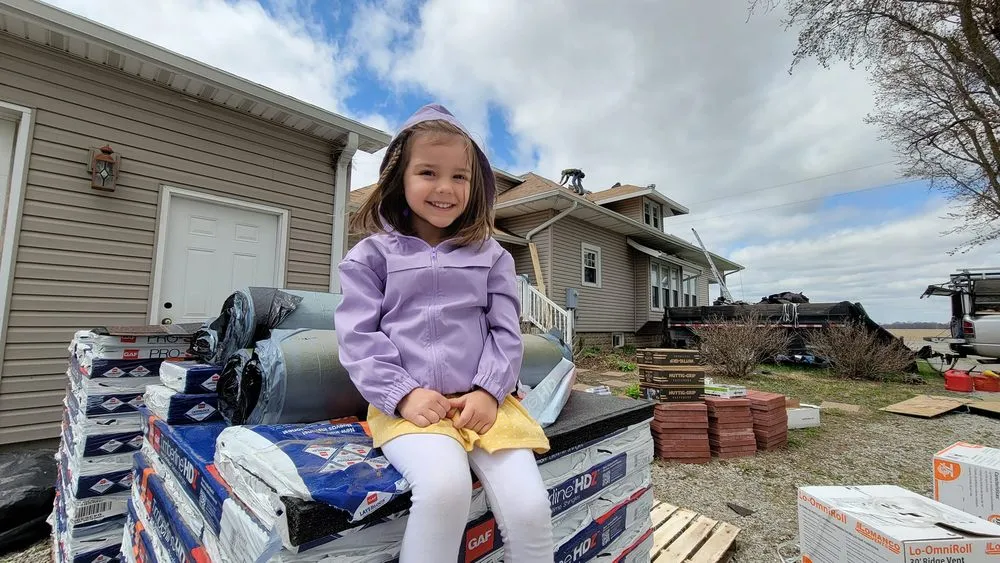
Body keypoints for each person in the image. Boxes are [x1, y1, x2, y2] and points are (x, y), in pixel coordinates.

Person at [335, 103, 555, 563]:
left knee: (531, 506)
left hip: (485, 404)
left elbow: (505, 331)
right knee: (443, 489)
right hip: (410, 408)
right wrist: (403, 394)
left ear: (475, 187)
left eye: (460, 177)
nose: (445, 188)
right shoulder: (371, 257)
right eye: (428, 172)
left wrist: (490, 391)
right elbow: (358, 336)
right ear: (400, 178)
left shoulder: (492, 255)